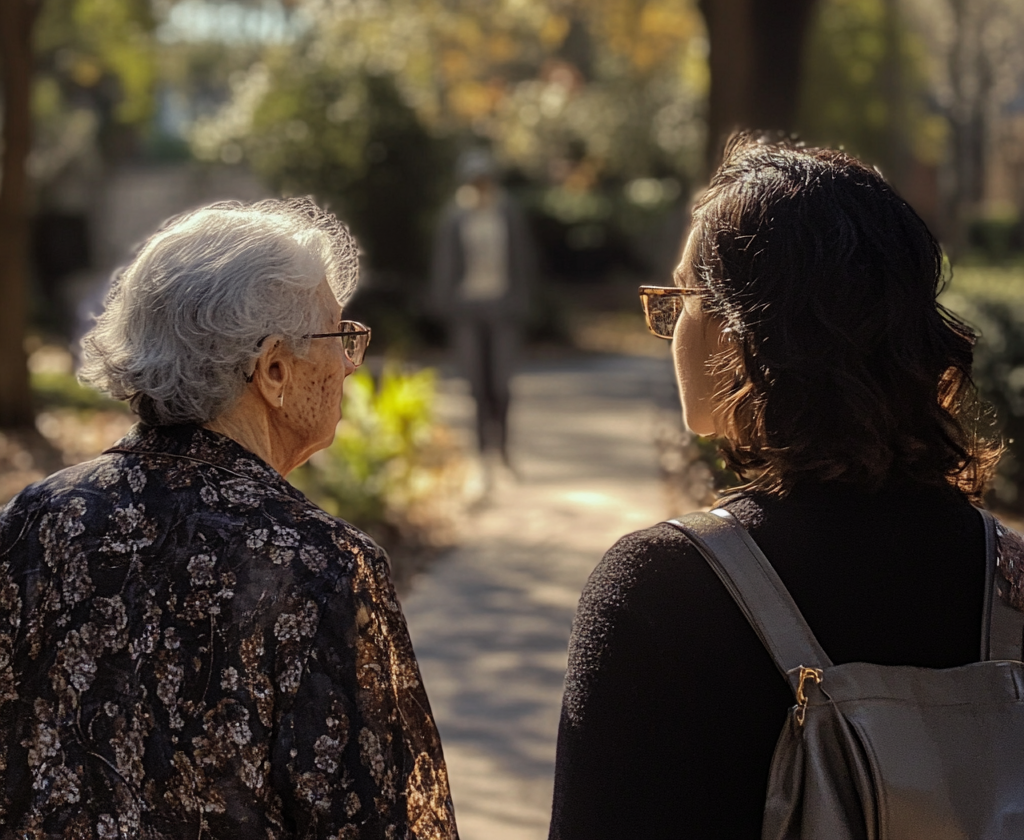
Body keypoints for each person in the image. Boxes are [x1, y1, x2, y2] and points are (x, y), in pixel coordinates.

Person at [547, 133, 1024, 839]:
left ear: (741, 334)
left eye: (680, 298)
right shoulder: (1009, 579)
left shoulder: (661, 590)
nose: (672, 326)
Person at [0, 198, 459, 839]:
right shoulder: (316, 564)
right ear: (273, 369)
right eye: (340, 337)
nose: (349, 365)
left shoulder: (30, 523)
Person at [431, 148, 532, 463]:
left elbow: (522, 260)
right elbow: (445, 266)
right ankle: (481, 453)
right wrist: (445, 305)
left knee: (501, 383)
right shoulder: (455, 216)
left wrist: (522, 301)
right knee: (476, 383)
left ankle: (502, 446)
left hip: (502, 307)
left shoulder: (507, 213)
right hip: (468, 309)